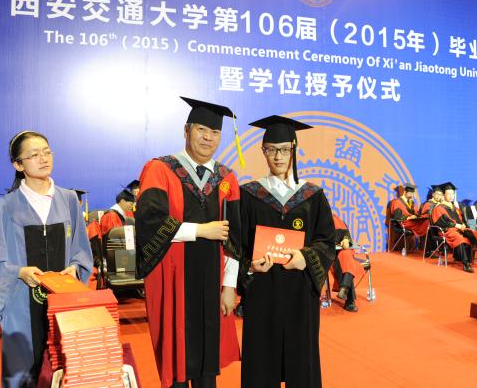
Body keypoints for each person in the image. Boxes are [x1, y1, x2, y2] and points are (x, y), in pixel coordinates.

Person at [135, 97, 242, 388]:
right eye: (201, 130)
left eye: (215, 132)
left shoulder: (227, 178)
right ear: (186, 130)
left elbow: (235, 239)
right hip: (173, 279)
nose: (208, 138)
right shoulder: (160, 169)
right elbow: (149, 223)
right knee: (177, 356)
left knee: (208, 363)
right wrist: (201, 230)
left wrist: (229, 286)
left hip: (213, 280)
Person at [0, 130, 93, 388]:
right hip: (21, 304)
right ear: (18, 165)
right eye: (34, 155)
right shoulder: (5, 207)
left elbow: (81, 250)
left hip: (63, 303)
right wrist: (19, 272)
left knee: (65, 371)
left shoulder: (69, 199)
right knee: (24, 373)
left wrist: (75, 268)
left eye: (47, 152)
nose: (44, 159)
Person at [239, 115, 335, 388]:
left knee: (301, 360)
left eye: (284, 150)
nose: (278, 157)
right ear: (263, 151)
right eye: (271, 149)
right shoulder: (249, 195)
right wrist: (250, 265)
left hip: (300, 291)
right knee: (260, 360)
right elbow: (237, 243)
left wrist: (305, 257)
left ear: (293, 150)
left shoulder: (312, 196)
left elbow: (327, 240)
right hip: (262, 290)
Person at [431, 182, 477, 272]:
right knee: (459, 238)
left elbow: (461, 218)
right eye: (449, 194)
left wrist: (464, 224)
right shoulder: (439, 208)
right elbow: (441, 222)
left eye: (452, 194)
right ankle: (466, 264)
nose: (451, 196)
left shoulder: (454, 207)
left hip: (460, 229)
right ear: (444, 195)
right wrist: (456, 225)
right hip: (447, 231)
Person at [332, 213, 359, 312]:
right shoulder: (312, 220)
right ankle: (349, 300)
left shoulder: (333, 218)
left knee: (346, 254)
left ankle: (344, 289)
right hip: (326, 254)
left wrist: (346, 239)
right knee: (346, 262)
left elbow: (345, 233)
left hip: (341, 253)